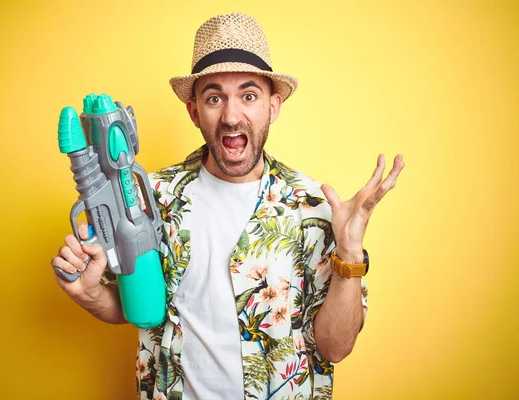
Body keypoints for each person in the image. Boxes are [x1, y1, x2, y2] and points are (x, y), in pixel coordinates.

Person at [51, 12, 404, 400]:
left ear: (274, 105)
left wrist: (349, 253)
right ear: (193, 110)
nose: (232, 116)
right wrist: (89, 294)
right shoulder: (151, 198)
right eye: (215, 97)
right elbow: (136, 308)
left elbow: (336, 347)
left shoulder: (314, 206)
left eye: (248, 96)